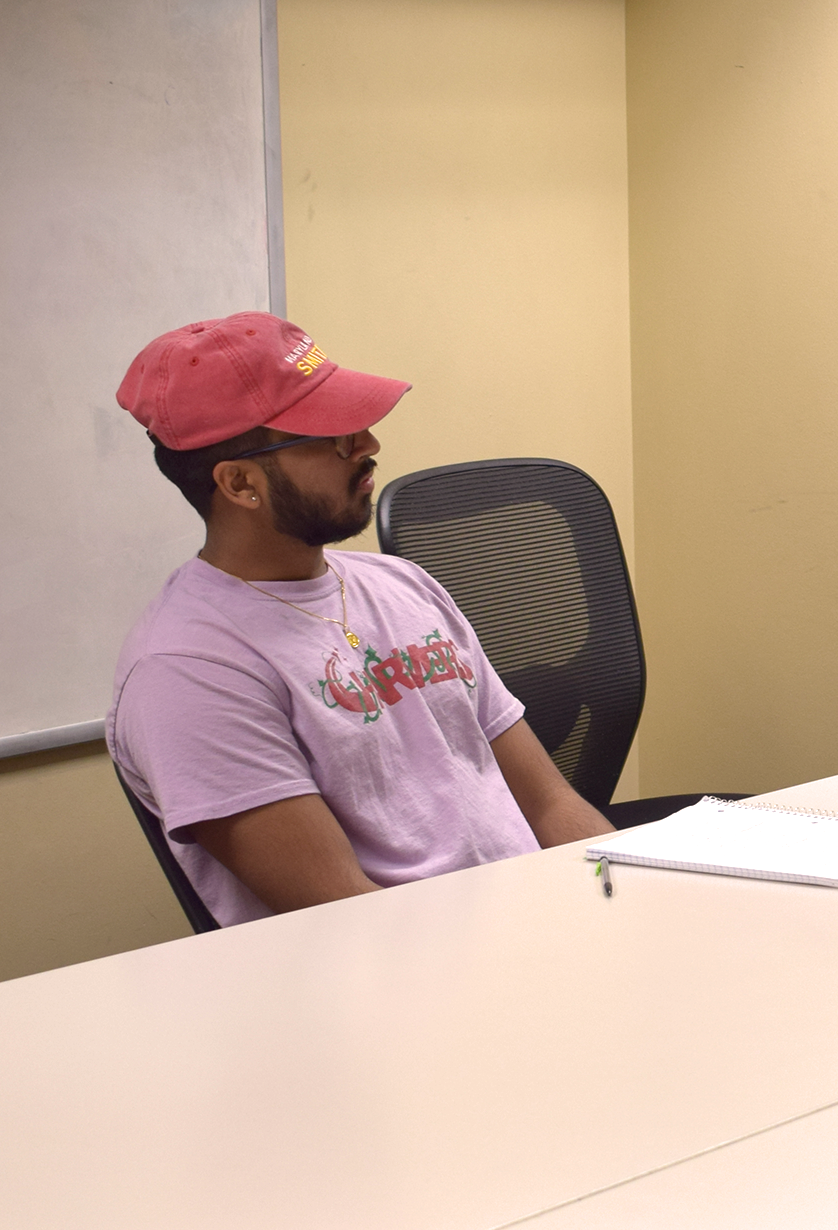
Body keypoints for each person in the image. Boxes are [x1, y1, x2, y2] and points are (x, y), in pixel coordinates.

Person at [106, 312, 610, 925]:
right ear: (240, 483)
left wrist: (618, 904)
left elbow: (551, 803)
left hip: (543, 933)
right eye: (334, 435)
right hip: (413, 990)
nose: (368, 445)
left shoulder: (403, 585)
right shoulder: (187, 671)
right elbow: (350, 917)